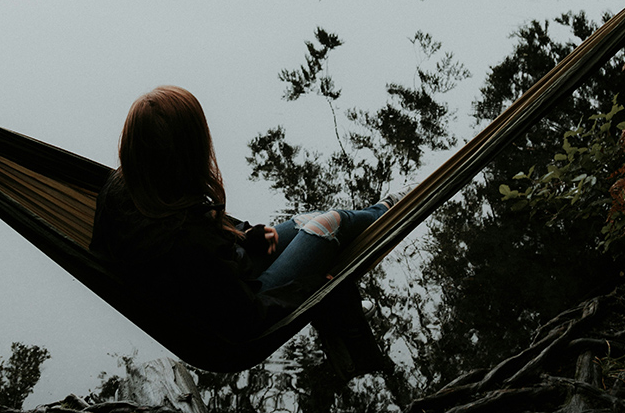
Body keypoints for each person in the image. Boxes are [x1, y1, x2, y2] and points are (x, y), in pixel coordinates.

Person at [89, 85, 403, 378]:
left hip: (215, 281)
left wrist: (242, 234)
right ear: (188, 153)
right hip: (238, 316)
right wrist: (314, 289)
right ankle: (393, 210)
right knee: (330, 225)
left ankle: (348, 342)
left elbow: (189, 245)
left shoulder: (124, 187)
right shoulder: (186, 243)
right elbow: (245, 318)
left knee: (305, 222)